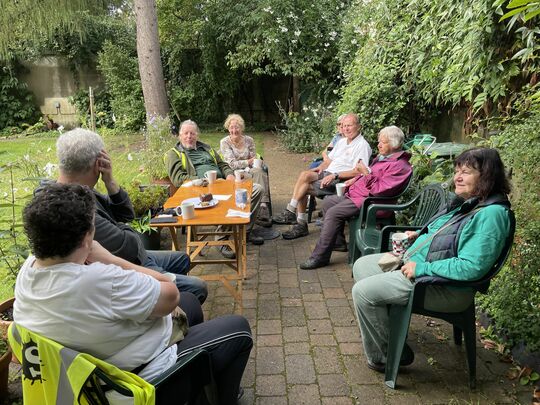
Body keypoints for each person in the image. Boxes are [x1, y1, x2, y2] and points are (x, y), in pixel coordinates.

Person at [14, 183, 253, 404]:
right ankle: (223, 398)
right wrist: (110, 259)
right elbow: (170, 293)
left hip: (89, 375)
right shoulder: (99, 280)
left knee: (191, 301)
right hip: (134, 382)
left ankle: (202, 385)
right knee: (239, 329)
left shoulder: (29, 271)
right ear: (87, 236)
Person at [351, 147, 512, 373]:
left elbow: (472, 267)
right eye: (457, 170)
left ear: (487, 175)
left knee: (363, 292)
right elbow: (446, 232)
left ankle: (386, 355)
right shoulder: (473, 201)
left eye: (465, 172)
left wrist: (422, 267)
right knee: (362, 266)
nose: (457, 177)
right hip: (417, 265)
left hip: (442, 287)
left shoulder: (491, 215)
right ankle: (391, 328)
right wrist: (418, 235)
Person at [51, 128, 208, 304]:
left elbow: (126, 216)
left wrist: (110, 183)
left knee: (182, 258)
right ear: (98, 163)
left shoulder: (79, 189)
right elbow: (129, 245)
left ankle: (174, 306)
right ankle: (172, 312)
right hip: (125, 266)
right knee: (197, 287)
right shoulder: (72, 207)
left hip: (129, 255)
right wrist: (125, 229)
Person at [299, 126, 412, 269]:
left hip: (371, 203)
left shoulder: (400, 167)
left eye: (382, 142)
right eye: (379, 141)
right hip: (358, 196)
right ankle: (338, 243)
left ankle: (320, 257)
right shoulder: (383, 158)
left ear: (394, 144)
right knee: (328, 202)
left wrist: (365, 173)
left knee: (334, 213)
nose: (378, 145)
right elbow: (371, 174)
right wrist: (355, 179)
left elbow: (380, 190)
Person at [166, 119, 264, 251]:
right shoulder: (173, 154)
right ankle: (222, 237)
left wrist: (229, 174)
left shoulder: (206, 148)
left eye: (192, 133)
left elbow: (222, 164)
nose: (189, 136)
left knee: (257, 189)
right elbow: (178, 178)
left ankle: (244, 231)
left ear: (197, 135)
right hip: (198, 190)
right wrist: (202, 181)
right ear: (180, 135)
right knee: (226, 200)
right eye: (186, 133)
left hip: (222, 183)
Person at [273, 113, 372, 240]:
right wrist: (321, 167)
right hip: (328, 174)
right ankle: (294, 215)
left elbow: (359, 172)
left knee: (303, 186)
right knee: (304, 178)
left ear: (359, 127)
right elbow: (329, 161)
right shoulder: (342, 142)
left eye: (350, 126)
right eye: (344, 126)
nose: (346, 129)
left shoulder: (362, 145)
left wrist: (335, 175)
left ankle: (297, 220)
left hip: (341, 181)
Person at [220, 113, 272, 227]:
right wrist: (247, 162)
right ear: (228, 128)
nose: (234, 130)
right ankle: (251, 208)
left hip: (250, 169)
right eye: (232, 127)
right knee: (253, 176)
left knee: (259, 172)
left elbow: (254, 158)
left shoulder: (249, 140)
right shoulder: (224, 142)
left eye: (237, 127)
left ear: (241, 128)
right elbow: (231, 164)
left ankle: (263, 206)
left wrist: (257, 161)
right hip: (234, 172)